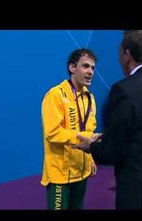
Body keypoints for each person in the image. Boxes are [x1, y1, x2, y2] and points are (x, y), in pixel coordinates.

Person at [74, 30, 142, 209]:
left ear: (127, 54)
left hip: (141, 190)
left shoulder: (124, 89)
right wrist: (106, 136)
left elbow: (114, 150)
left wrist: (92, 146)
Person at [40, 48, 98, 210]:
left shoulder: (90, 98)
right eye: (85, 66)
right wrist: (84, 138)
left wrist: (91, 158)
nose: (90, 72)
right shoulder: (55, 95)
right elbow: (53, 132)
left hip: (82, 171)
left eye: (93, 68)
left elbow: (91, 128)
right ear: (72, 68)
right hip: (60, 174)